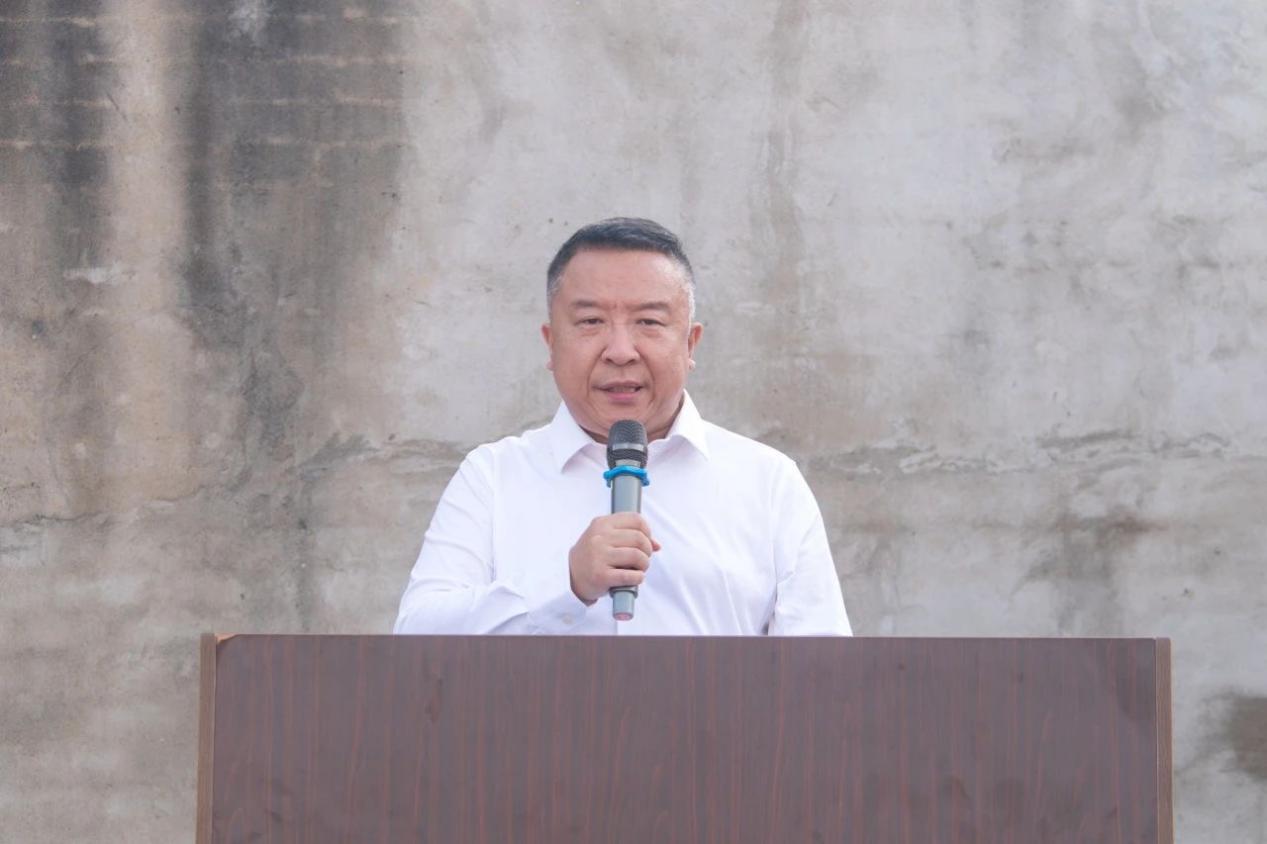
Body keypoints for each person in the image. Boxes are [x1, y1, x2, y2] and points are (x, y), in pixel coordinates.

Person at [394, 218, 850, 635]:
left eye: (648, 322)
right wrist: (566, 582)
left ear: (690, 344)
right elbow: (416, 636)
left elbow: (822, 669)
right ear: (551, 344)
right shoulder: (493, 476)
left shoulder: (767, 482)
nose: (620, 351)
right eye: (591, 322)